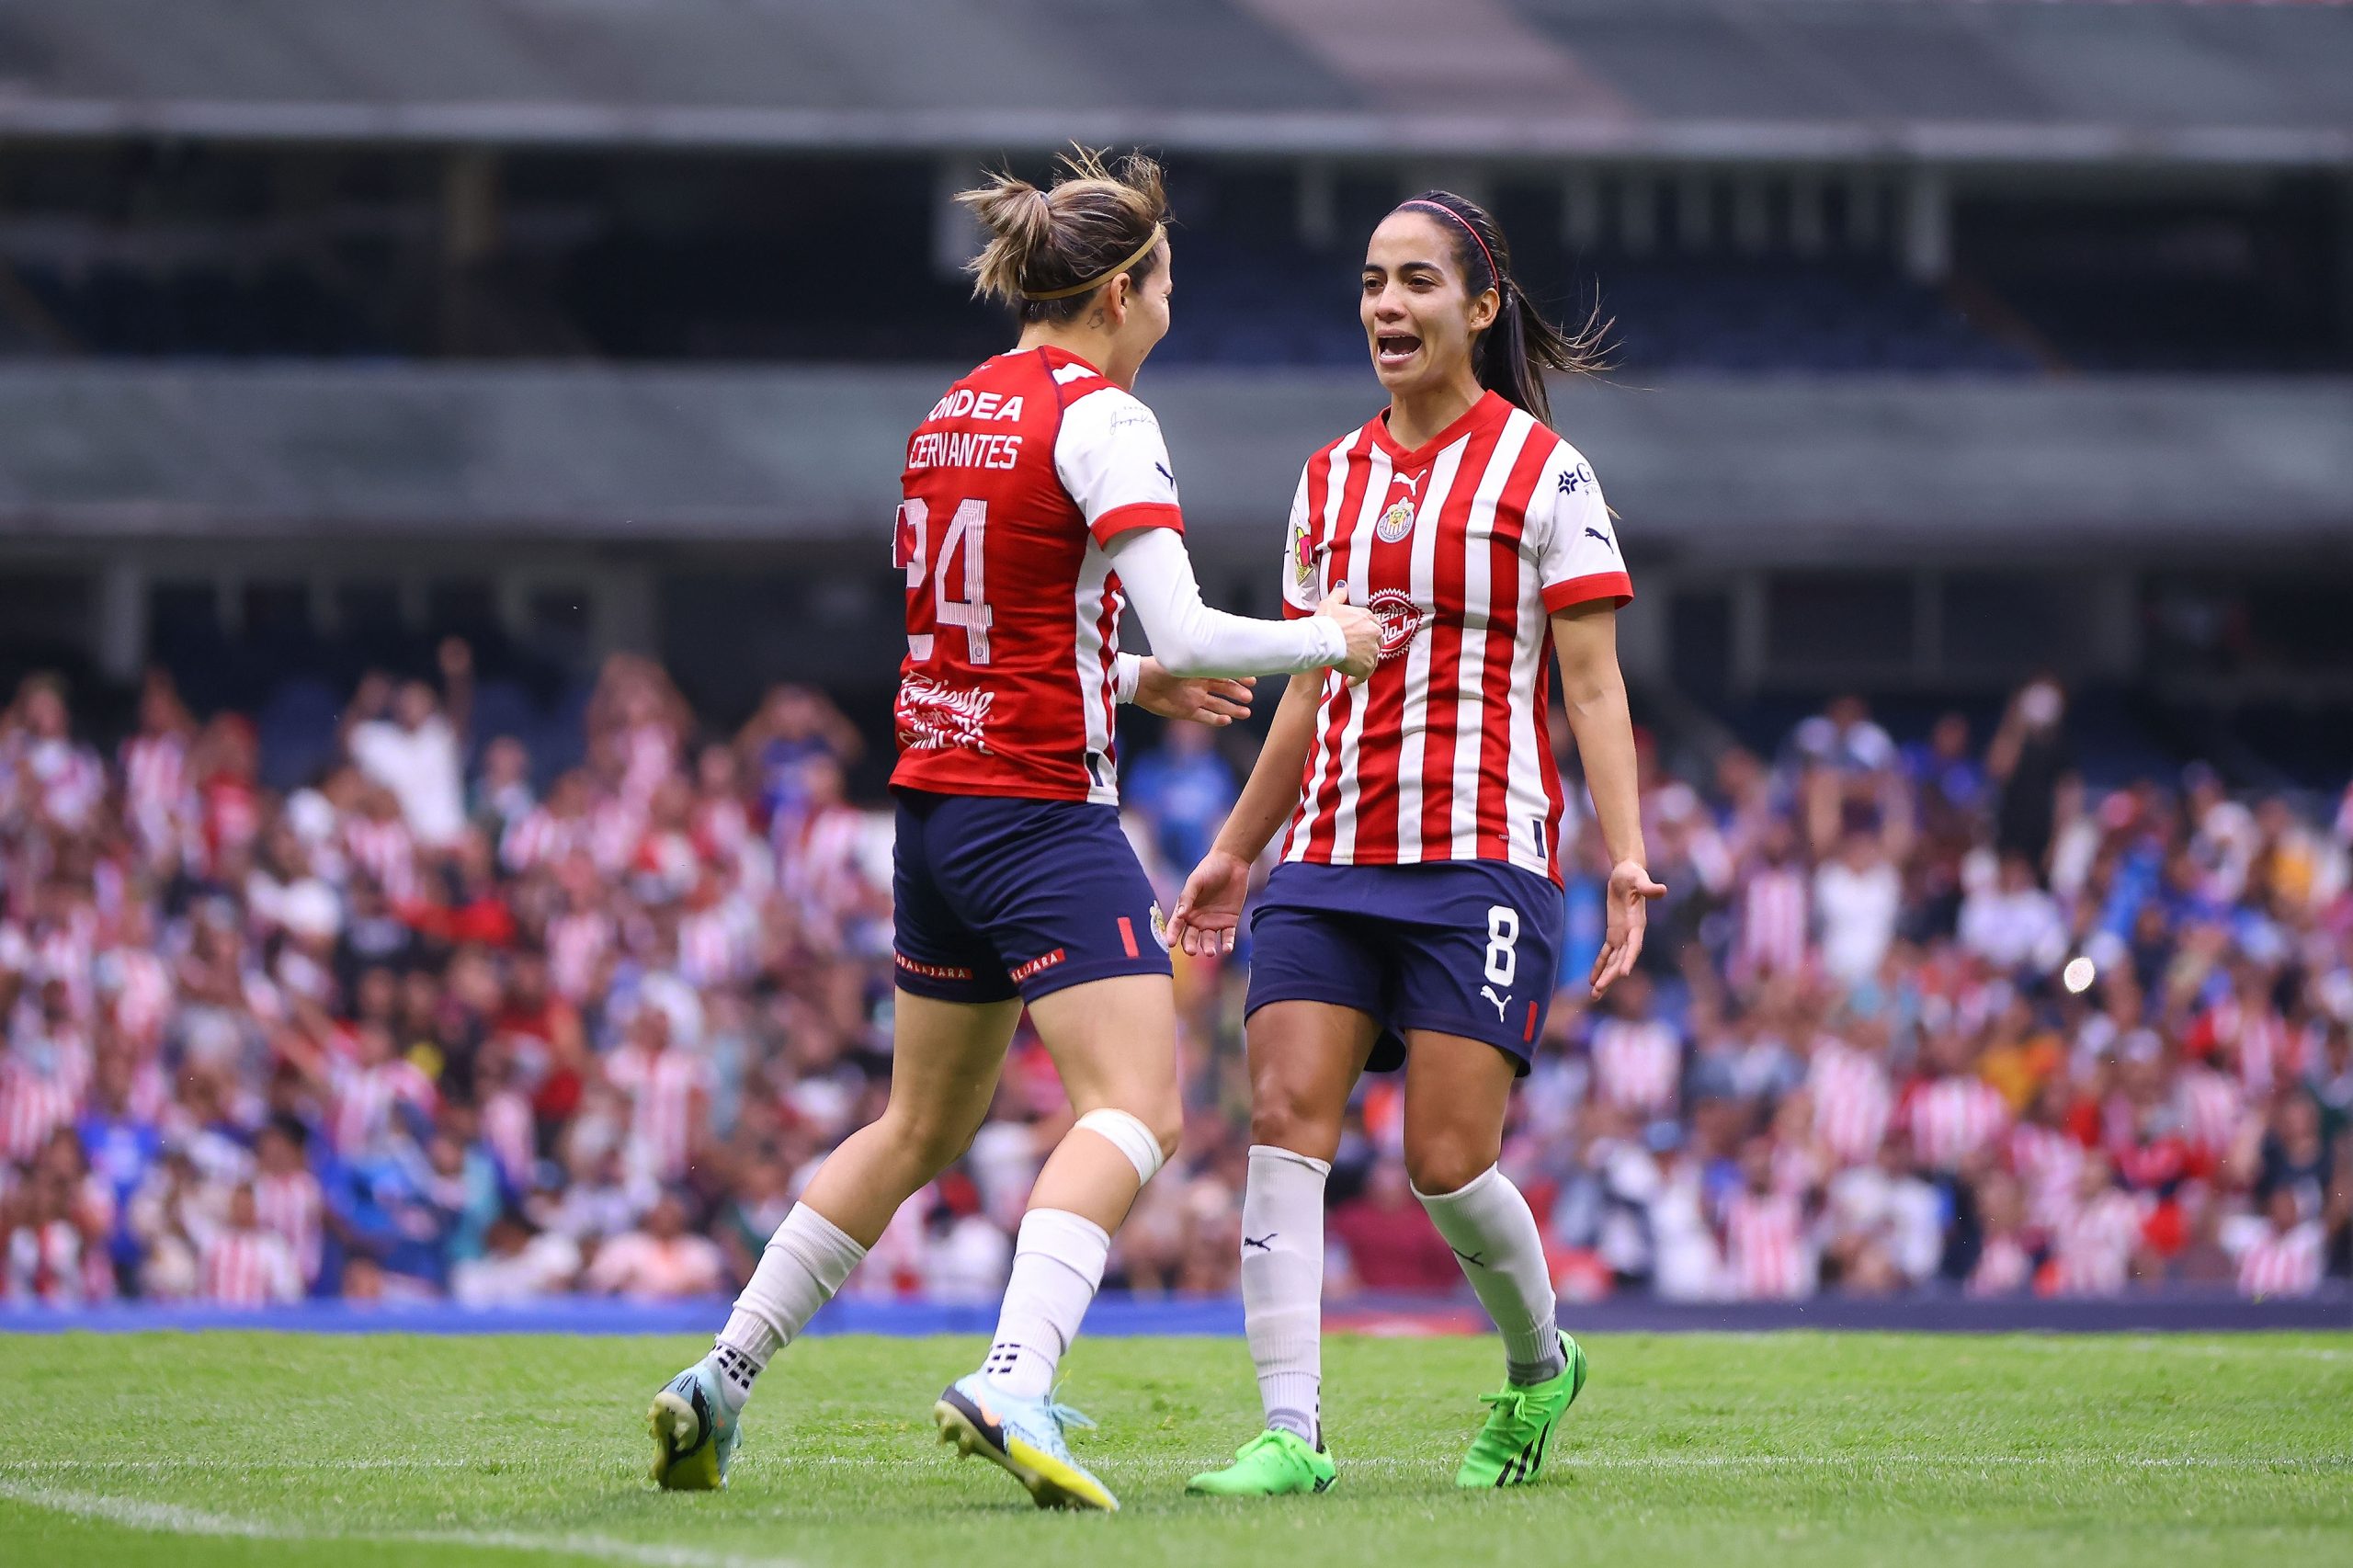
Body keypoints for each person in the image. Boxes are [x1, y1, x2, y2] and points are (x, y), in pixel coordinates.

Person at [645, 148, 1378, 1509]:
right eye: (1163, 289)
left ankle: (723, 1373)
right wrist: (1328, 639)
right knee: (1139, 1104)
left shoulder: (948, 416)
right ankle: (1014, 1373)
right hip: (1040, 811)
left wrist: (1135, 680)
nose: (1169, 311)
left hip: (933, 816)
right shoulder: (1102, 419)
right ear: (1117, 291)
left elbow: (991, 640)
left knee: (918, 1119)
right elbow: (1196, 622)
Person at [1170, 190, 1659, 1495]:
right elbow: (1305, 686)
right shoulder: (1326, 479)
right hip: (1326, 855)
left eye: (1420, 283)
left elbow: (1595, 684)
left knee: (1448, 1162)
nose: (1389, 305)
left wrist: (1623, 850)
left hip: (1480, 853)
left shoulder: (1546, 472)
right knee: (1282, 1117)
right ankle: (1292, 1431)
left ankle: (1541, 1362)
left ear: (1481, 306)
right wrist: (1235, 846)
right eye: (1375, 282)